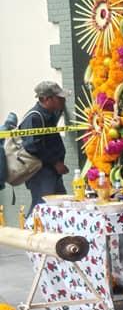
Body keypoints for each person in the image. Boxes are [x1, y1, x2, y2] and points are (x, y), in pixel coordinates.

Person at [21, 81, 68, 213]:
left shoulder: (49, 115)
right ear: (47, 99)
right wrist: (56, 162)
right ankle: (30, 231)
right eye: (59, 98)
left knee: (60, 207)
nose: (63, 100)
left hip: (52, 172)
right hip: (41, 173)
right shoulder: (34, 118)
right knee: (42, 207)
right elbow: (32, 146)